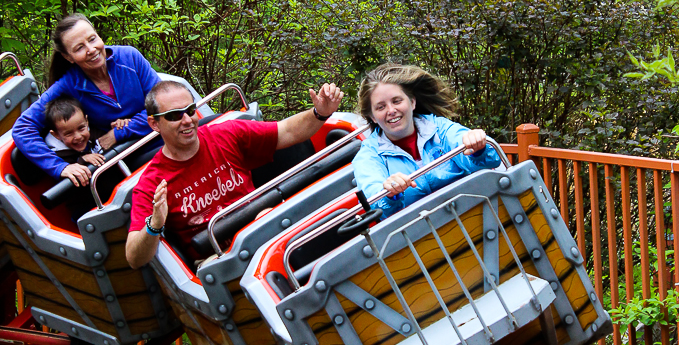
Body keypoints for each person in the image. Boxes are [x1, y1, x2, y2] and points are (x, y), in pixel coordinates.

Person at [125, 80, 344, 268]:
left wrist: (319, 113)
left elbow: (285, 131)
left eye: (190, 111)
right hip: (219, 259)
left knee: (288, 222)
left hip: (263, 227)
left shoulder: (226, 134)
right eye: (174, 116)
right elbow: (134, 258)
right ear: (155, 124)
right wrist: (154, 224)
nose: (187, 120)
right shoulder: (152, 183)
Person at [12, 13, 160, 187]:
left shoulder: (129, 57)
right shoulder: (69, 84)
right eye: (79, 48)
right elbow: (23, 128)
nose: (91, 49)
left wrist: (118, 132)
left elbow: (162, 105)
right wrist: (60, 167)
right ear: (68, 57)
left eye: (92, 39)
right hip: (123, 157)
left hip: (160, 135)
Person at [352, 63, 501, 219]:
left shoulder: (439, 128)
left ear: (412, 102)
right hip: (416, 233)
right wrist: (390, 194)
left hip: (470, 213)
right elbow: (375, 201)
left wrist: (477, 148)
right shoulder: (368, 156)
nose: (391, 110)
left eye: (397, 101)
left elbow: (484, 155)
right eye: (381, 107)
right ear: (372, 117)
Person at [44, 95, 107, 175]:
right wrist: (82, 160)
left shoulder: (95, 132)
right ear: (56, 135)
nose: (78, 137)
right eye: (69, 133)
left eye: (81, 128)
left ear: (86, 121)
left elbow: (110, 138)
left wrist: (118, 127)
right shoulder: (58, 157)